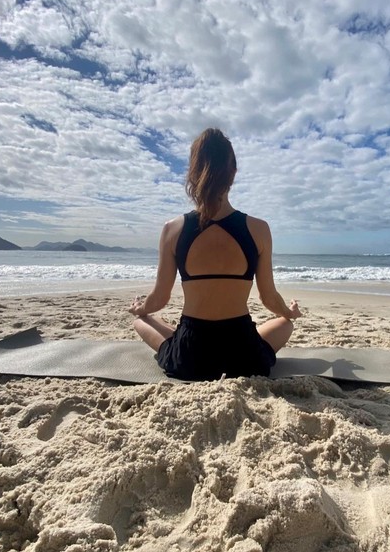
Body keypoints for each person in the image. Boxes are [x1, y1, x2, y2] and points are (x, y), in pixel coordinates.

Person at [129, 127, 301, 380]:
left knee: (140, 322)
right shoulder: (259, 229)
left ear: (193, 173)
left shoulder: (172, 229)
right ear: (233, 172)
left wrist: (140, 308)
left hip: (190, 356)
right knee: (285, 324)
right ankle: (173, 330)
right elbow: (269, 298)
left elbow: (159, 299)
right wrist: (289, 312)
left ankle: (170, 330)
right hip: (244, 356)